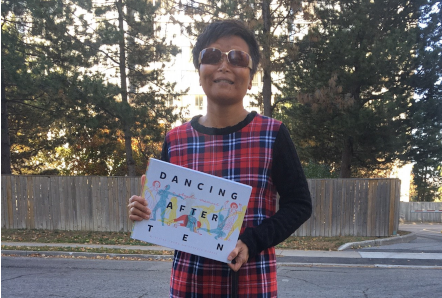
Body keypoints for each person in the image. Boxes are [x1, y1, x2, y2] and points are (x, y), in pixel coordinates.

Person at [127, 19, 312, 297]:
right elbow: (167, 214)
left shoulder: (272, 134)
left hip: (251, 286)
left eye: (238, 58)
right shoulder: (175, 140)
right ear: (199, 71)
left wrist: (252, 241)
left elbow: (299, 204)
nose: (224, 66)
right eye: (212, 56)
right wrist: (144, 211)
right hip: (188, 287)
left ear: (250, 78)